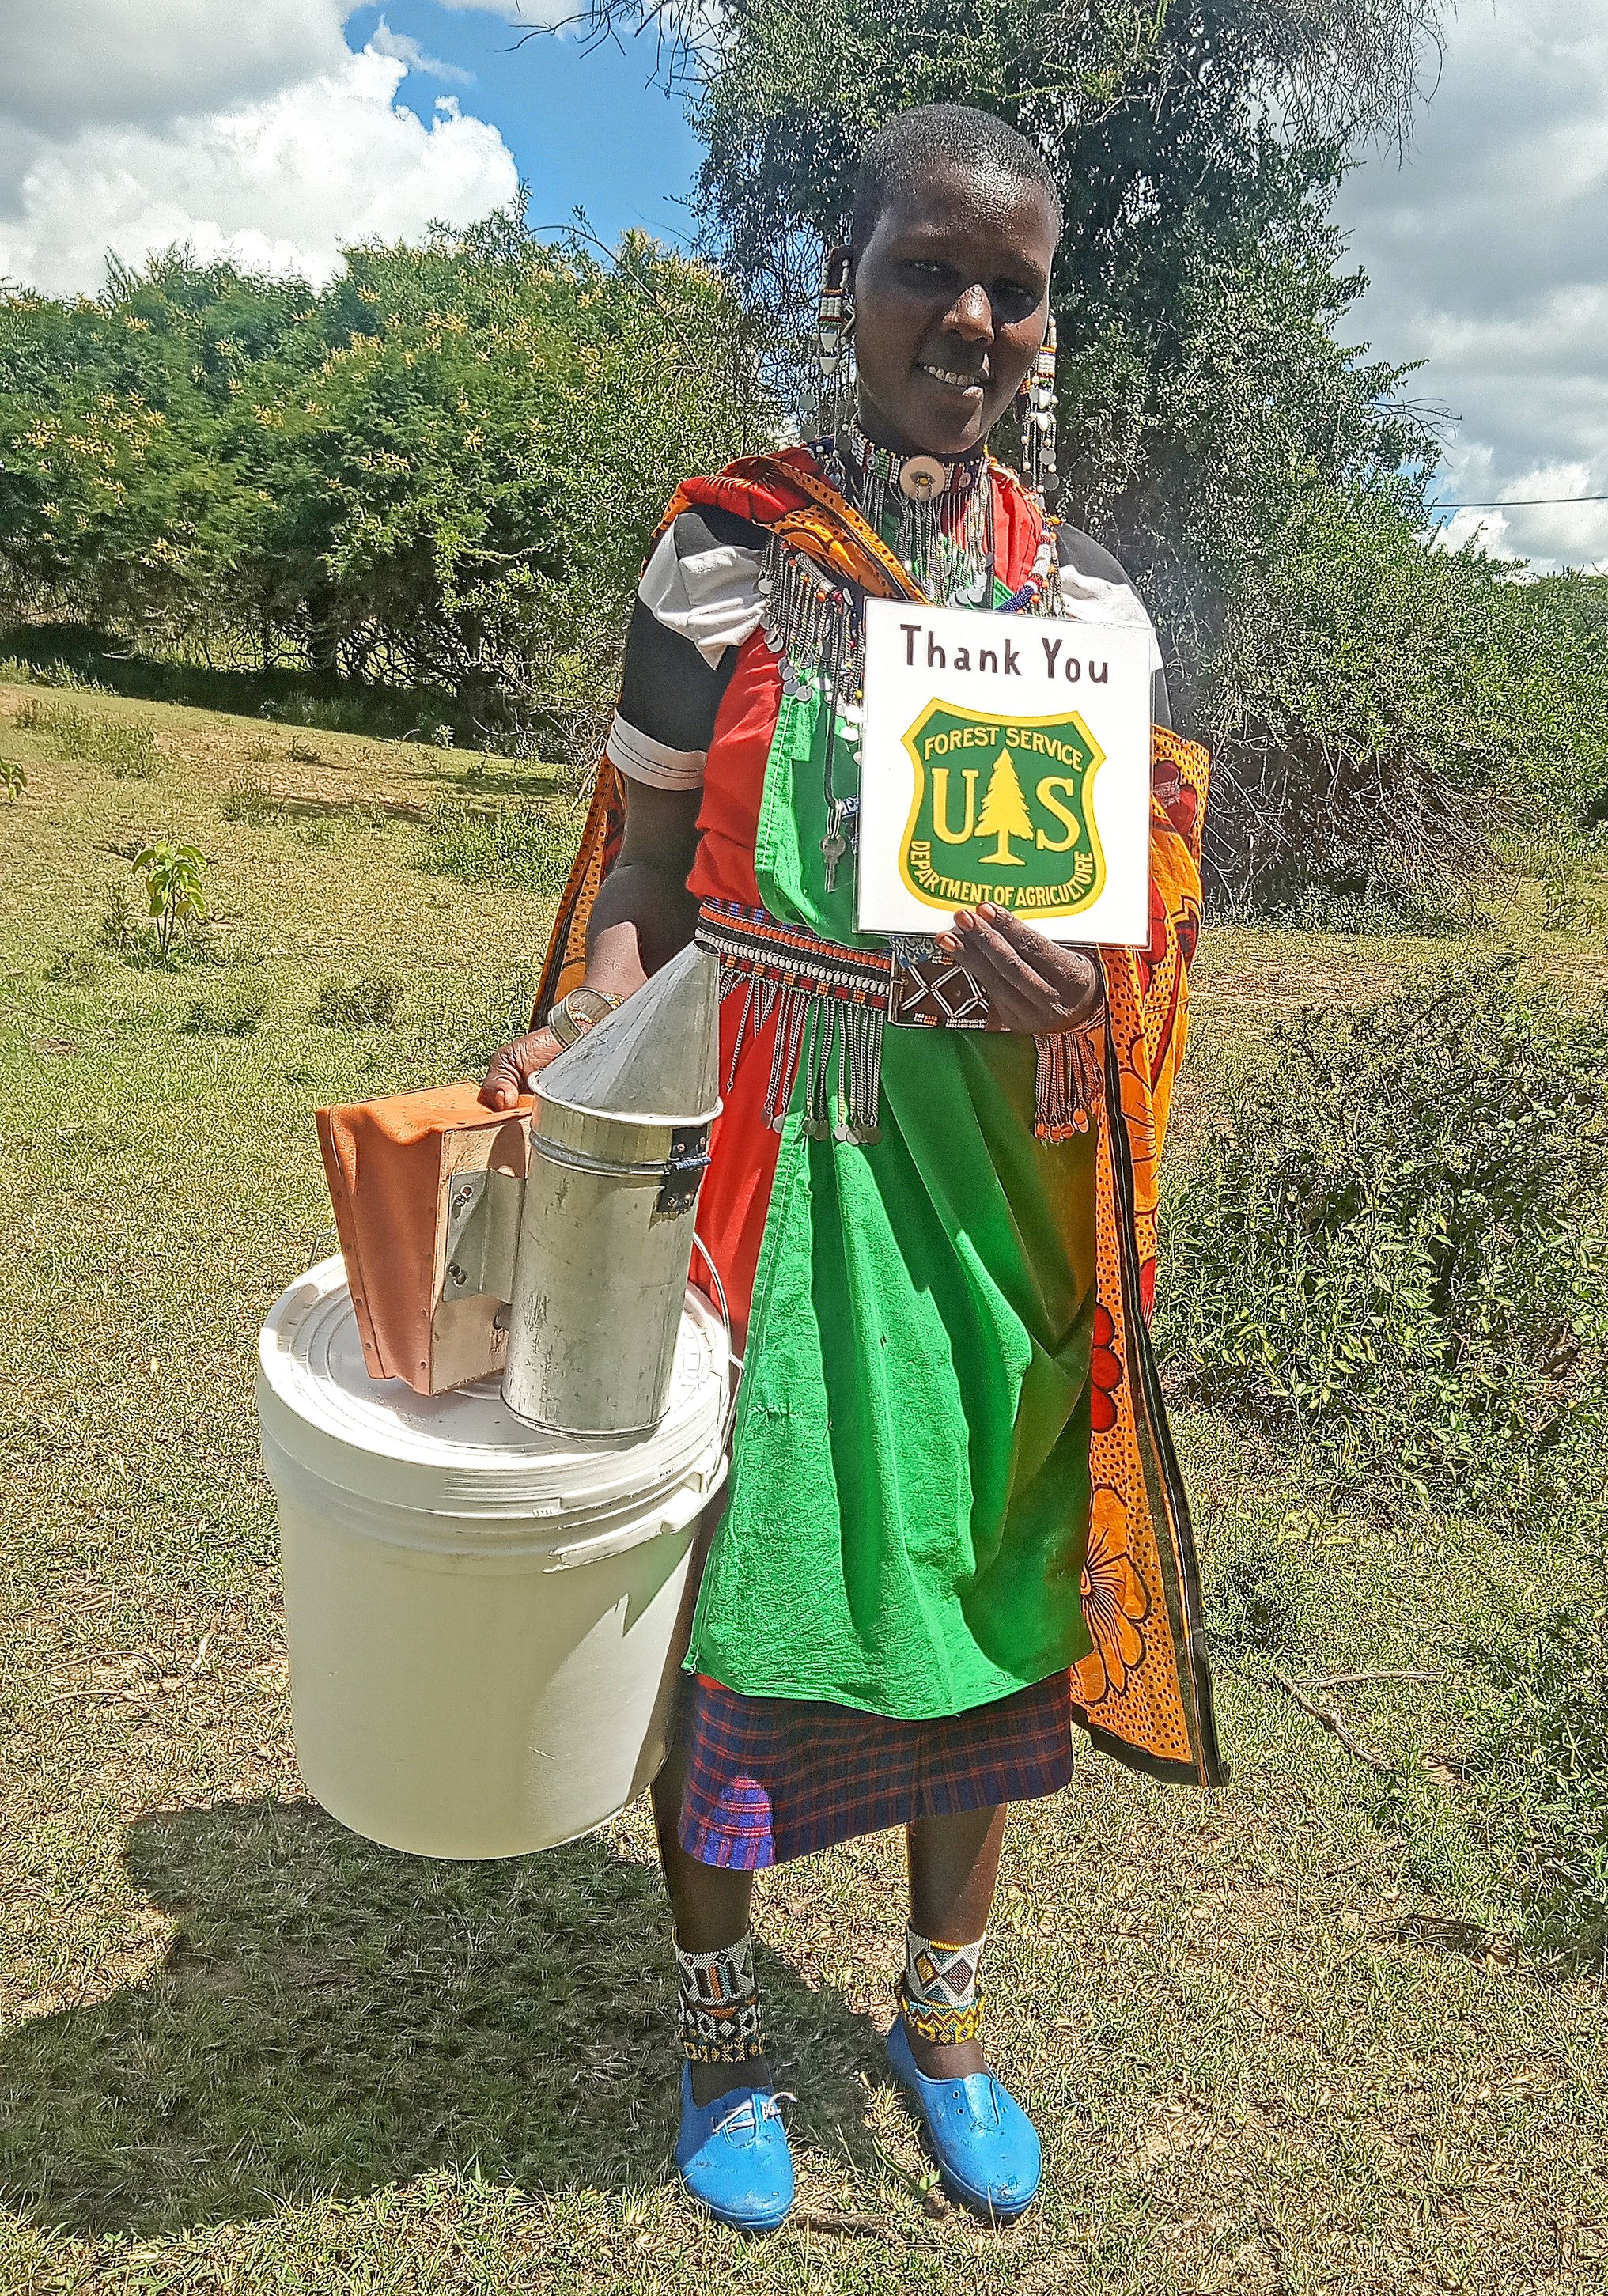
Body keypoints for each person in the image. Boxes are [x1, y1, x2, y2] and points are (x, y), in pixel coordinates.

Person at [482, 103, 1221, 2234]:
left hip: (990, 1183)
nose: (965, 317)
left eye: (1009, 286)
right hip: (757, 1162)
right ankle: (719, 2037)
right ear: (844, 277)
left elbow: (1133, 943)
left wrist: (1062, 994)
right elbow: (635, 877)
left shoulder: (1087, 609)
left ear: (1046, 325)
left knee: (984, 1607)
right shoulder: (719, 552)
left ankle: (943, 2016)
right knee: (737, 1598)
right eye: (927, 266)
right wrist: (586, 1051)